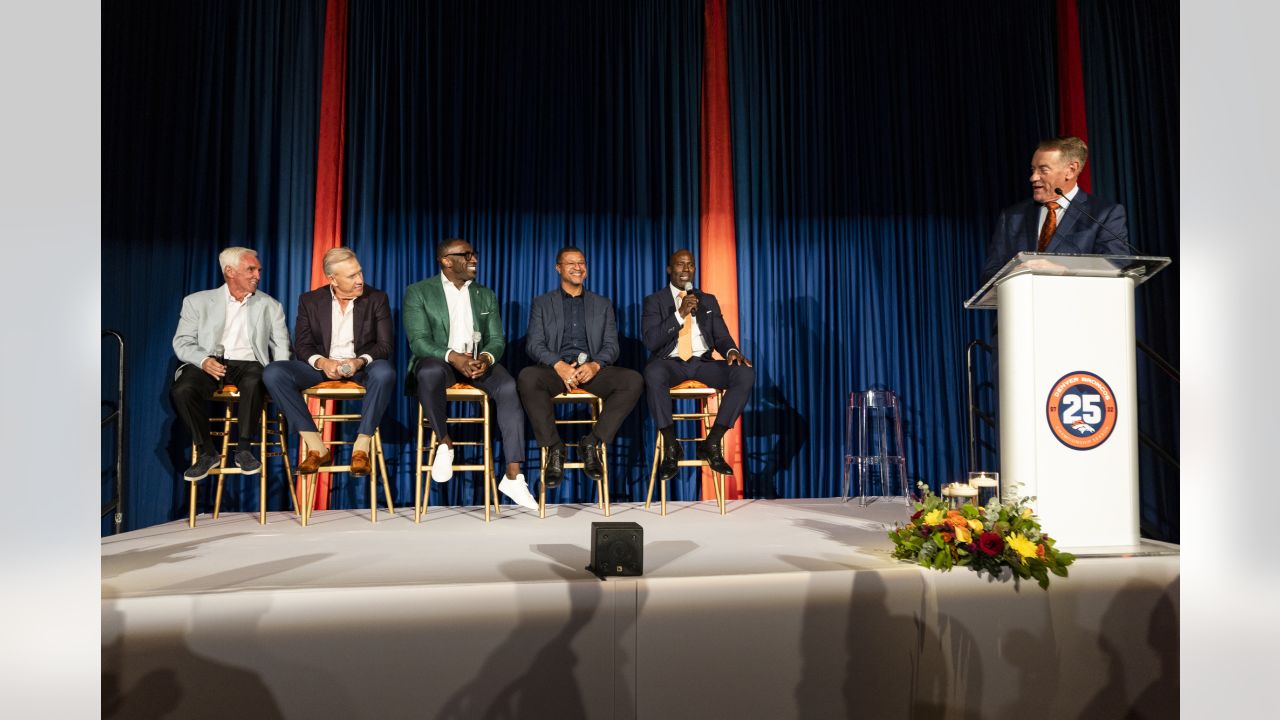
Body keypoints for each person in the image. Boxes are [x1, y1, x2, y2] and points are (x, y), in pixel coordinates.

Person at [402, 238, 538, 511]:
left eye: (474, 254)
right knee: (427, 372)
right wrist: (454, 357)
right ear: (446, 260)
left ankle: (513, 475)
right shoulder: (419, 292)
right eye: (467, 255)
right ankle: (444, 443)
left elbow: (497, 339)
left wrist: (485, 358)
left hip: (478, 363)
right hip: (442, 362)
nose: (474, 259)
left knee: (509, 387)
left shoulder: (484, 294)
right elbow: (418, 341)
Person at [517, 247, 644, 489]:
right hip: (556, 371)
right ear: (558, 268)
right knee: (527, 377)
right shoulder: (542, 303)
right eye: (571, 263)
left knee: (633, 380)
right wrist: (558, 365)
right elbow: (534, 344)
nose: (578, 267)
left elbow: (611, 346)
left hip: (591, 371)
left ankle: (592, 443)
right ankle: (555, 448)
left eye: (582, 263)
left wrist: (595, 365)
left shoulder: (602, 303)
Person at [262, 247, 395, 476]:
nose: (360, 280)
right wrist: (322, 363)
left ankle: (361, 448)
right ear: (332, 279)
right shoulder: (310, 300)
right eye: (352, 276)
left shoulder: (377, 298)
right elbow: (302, 345)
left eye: (360, 273)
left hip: (361, 367)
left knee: (385, 372)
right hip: (323, 368)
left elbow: (384, 346)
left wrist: (359, 361)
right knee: (274, 373)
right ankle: (316, 447)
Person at [171, 247, 291, 481]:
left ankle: (244, 448)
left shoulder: (271, 305)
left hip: (250, 362)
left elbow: (282, 346)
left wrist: (281, 374)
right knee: (182, 390)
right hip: (209, 361)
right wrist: (204, 361)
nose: (257, 275)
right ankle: (207, 452)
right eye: (251, 269)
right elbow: (182, 342)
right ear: (229, 271)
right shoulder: (197, 301)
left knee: (256, 378)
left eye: (259, 270)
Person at [641, 249, 754, 483]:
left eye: (690, 265)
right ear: (669, 269)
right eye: (680, 265)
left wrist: (732, 351)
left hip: (702, 363)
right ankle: (672, 447)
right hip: (670, 363)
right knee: (652, 372)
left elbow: (722, 338)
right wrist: (680, 315)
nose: (686, 269)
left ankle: (712, 443)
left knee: (744, 373)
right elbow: (651, 341)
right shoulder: (655, 301)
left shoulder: (708, 300)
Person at [980, 136, 1130, 285]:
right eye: (1033, 170)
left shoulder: (1103, 214)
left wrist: (1066, 271)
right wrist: (1015, 274)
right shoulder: (1013, 216)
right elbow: (990, 274)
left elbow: (1117, 264)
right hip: (1024, 306)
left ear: (1071, 170)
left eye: (1043, 170)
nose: (1033, 177)